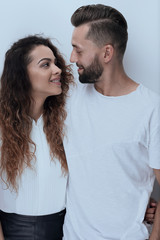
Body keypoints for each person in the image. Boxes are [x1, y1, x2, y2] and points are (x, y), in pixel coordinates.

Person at [63, 4, 160, 239]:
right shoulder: (69, 98)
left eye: (78, 49)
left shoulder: (151, 108)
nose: (72, 58)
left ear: (107, 53)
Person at [0, 35, 73, 240]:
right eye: (45, 64)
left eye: (55, 63)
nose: (58, 69)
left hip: (64, 230)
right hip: (12, 232)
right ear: (21, 75)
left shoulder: (67, 123)